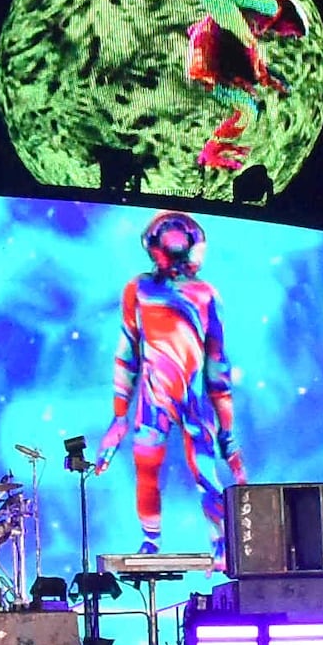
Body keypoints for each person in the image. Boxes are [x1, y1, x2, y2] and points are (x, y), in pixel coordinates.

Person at [93, 209, 245, 555]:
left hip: (193, 398)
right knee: (147, 467)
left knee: (206, 471)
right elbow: (128, 350)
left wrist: (227, 432)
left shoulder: (205, 295)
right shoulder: (139, 289)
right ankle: (151, 542)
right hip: (153, 398)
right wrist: (118, 419)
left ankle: (221, 545)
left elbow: (217, 364)